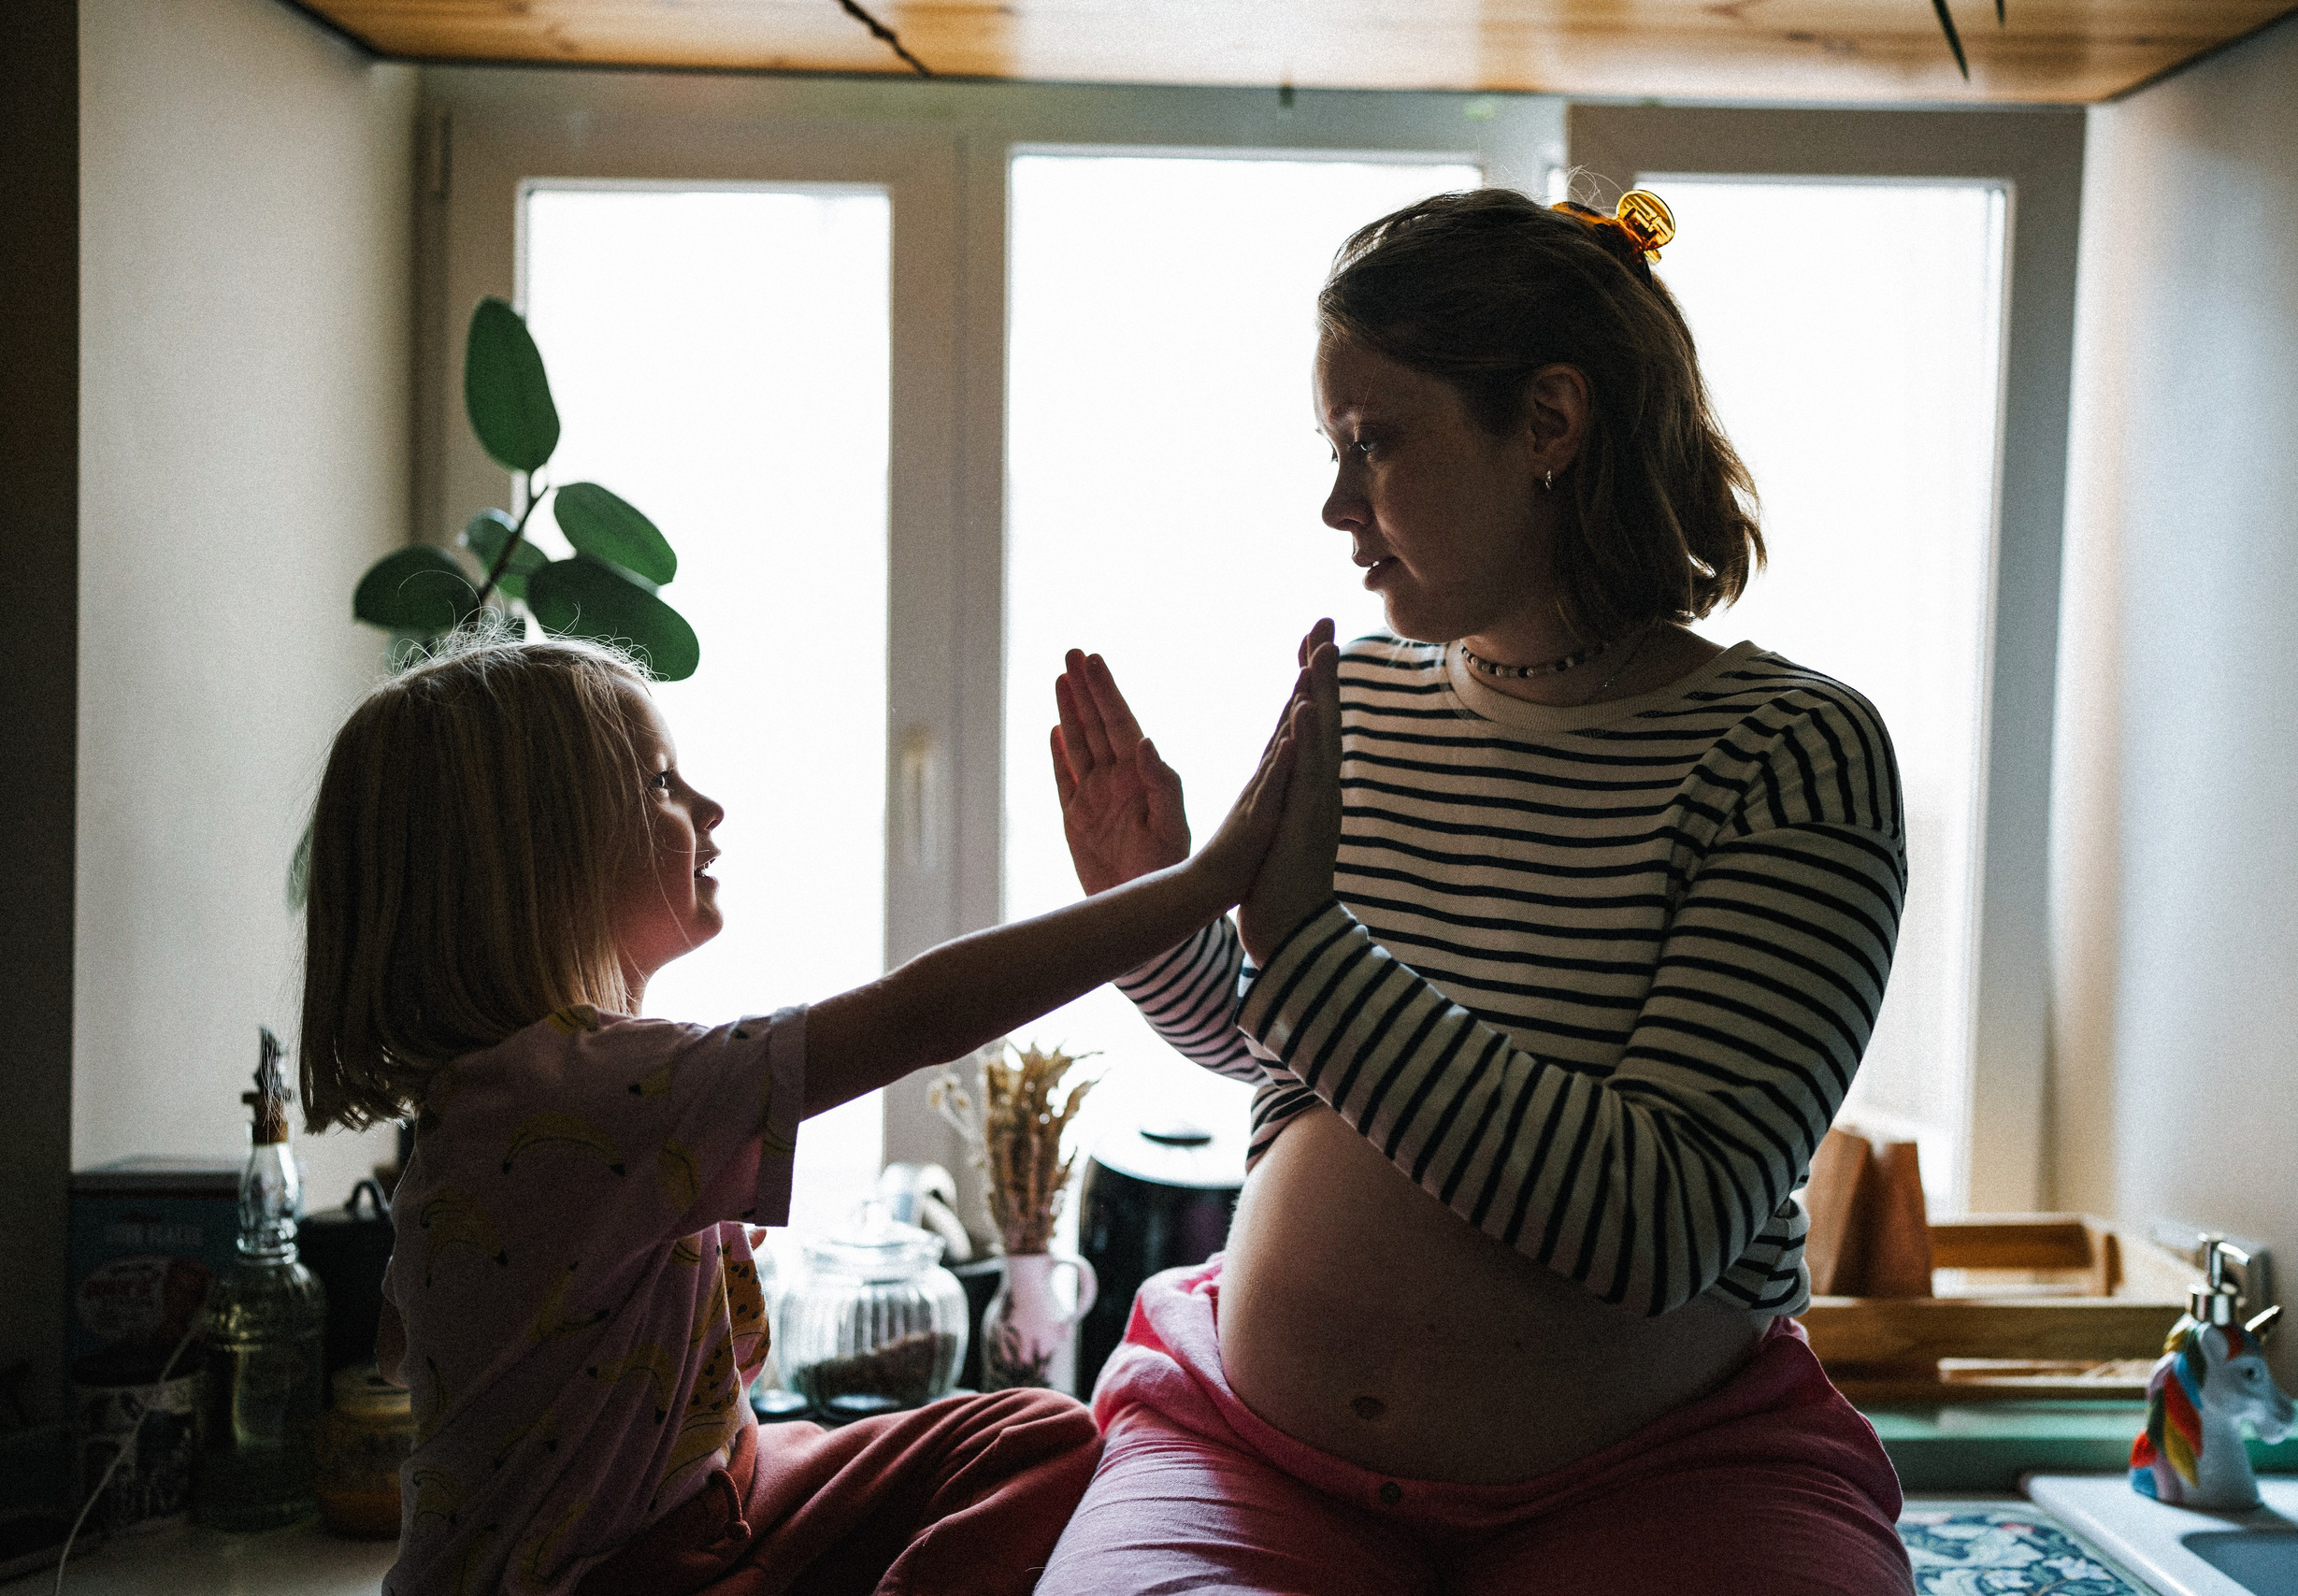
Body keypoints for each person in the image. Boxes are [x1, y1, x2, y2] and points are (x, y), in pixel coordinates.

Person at [1035, 187, 1915, 1595]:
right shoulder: (1363, 697)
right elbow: (1282, 1044)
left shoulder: (1789, 752)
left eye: (1373, 443)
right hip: (1257, 1452)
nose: (1335, 503)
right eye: (1333, 448)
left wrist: (1304, 948)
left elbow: (1661, 1222)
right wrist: (1162, 919)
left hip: (1666, 1475)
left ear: (1550, 424)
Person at [295, 626, 1317, 1596]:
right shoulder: (604, 1094)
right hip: (621, 1573)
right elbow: (921, 1016)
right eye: (660, 782)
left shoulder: (482, 1109)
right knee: (1039, 1445)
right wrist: (1202, 882)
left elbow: (404, 1341)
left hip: (714, 1494)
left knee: (1029, 1436)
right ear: (538, 856)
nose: (709, 807)